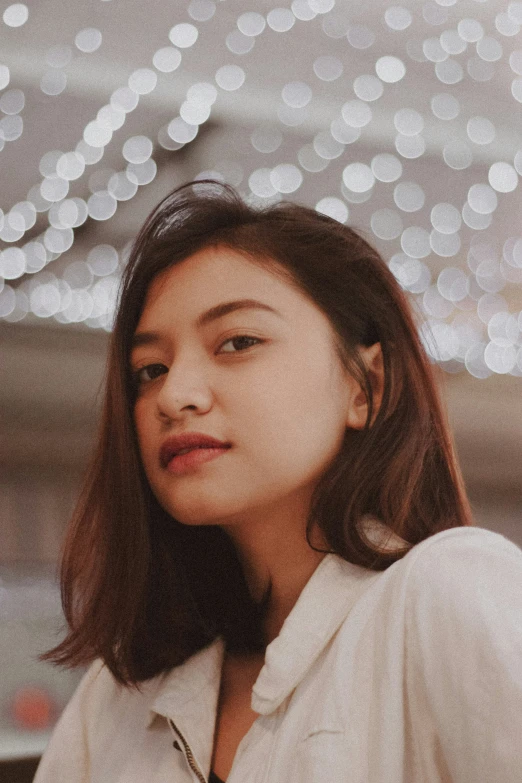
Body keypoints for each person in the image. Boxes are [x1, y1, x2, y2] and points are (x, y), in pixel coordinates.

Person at [34, 180, 522, 783]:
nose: (175, 395)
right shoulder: (120, 694)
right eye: (149, 370)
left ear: (365, 386)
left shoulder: (446, 591)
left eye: (239, 342)